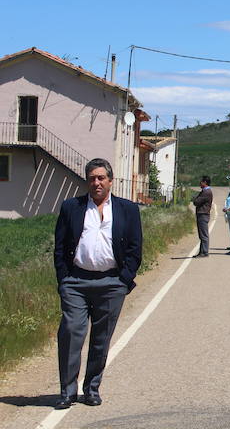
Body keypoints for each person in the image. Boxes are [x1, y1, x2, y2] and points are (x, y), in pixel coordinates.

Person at [53, 158, 143, 409]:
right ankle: (67, 392)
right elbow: (60, 246)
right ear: (87, 181)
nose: (96, 182)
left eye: (101, 177)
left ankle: (91, 388)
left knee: (101, 339)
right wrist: (63, 280)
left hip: (111, 283)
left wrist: (124, 279)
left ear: (110, 181)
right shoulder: (72, 207)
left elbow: (136, 248)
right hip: (76, 281)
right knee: (71, 332)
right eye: (92, 178)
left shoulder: (128, 209)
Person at [191, 175, 213, 258]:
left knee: (203, 234)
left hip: (203, 214)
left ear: (205, 182)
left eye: (201, 181)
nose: (200, 183)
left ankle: (204, 252)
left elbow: (196, 201)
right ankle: (202, 251)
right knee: (202, 234)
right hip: (202, 214)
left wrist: (195, 199)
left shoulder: (206, 192)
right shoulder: (204, 191)